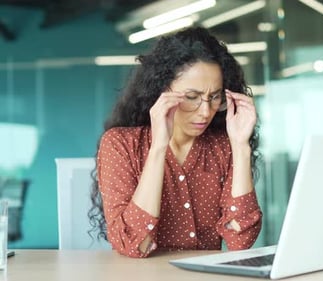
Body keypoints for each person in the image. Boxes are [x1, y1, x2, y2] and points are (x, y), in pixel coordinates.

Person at [88, 26, 263, 258]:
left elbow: (240, 240)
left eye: (214, 97)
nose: (205, 111)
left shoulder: (224, 147)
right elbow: (133, 244)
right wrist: (159, 147)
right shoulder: (120, 144)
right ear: (162, 91)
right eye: (192, 97)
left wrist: (241, 147)